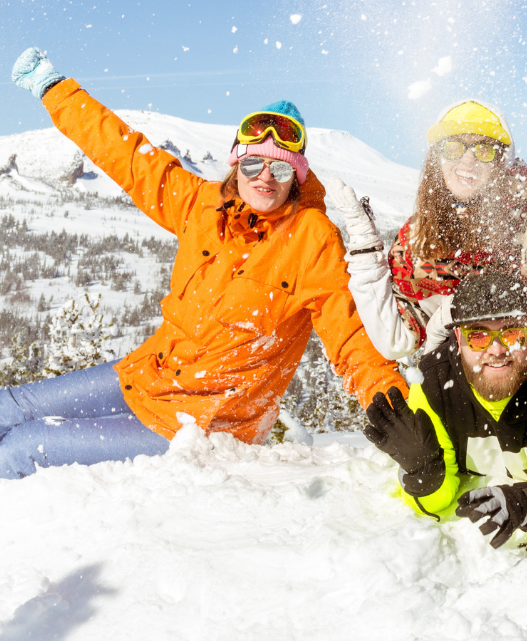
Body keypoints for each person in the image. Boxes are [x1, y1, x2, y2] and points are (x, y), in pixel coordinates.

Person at [2, 48, 404, 478]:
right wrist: (54, 89)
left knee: (23, 447)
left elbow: (351, 337)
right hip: (149, 373)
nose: (265, 177)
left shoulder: (312, 238)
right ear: (236, 163)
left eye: (281, 170)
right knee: (10, 406)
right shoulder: (202, 204)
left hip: (204, 420)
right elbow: (125, 154)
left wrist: (397, 411)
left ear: (298, 177)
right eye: (253, 162)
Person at [322, 99, 527, 364]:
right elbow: (395, 339)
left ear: (502, 163)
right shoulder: (420, 232)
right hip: (466, 383)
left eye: (484, 150)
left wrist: (468, 329)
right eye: (453, 147)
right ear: (436, 159)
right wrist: (365, 250)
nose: (467, 160)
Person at [361, 271, 527, 546]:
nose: (497, 349)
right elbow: (434, 506)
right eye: (478, 336)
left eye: (512, 333)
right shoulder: (435, 389)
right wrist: (425, 475)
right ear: (458, 337)